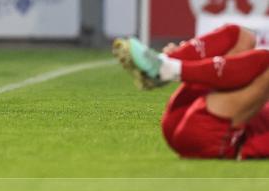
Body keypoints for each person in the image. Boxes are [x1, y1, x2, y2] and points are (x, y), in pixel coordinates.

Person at [114, 26, 269, 159]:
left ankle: (169, 68)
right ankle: (166, 62)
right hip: (183, 113)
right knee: (240, 36)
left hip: (211, 135)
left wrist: (247, 150)